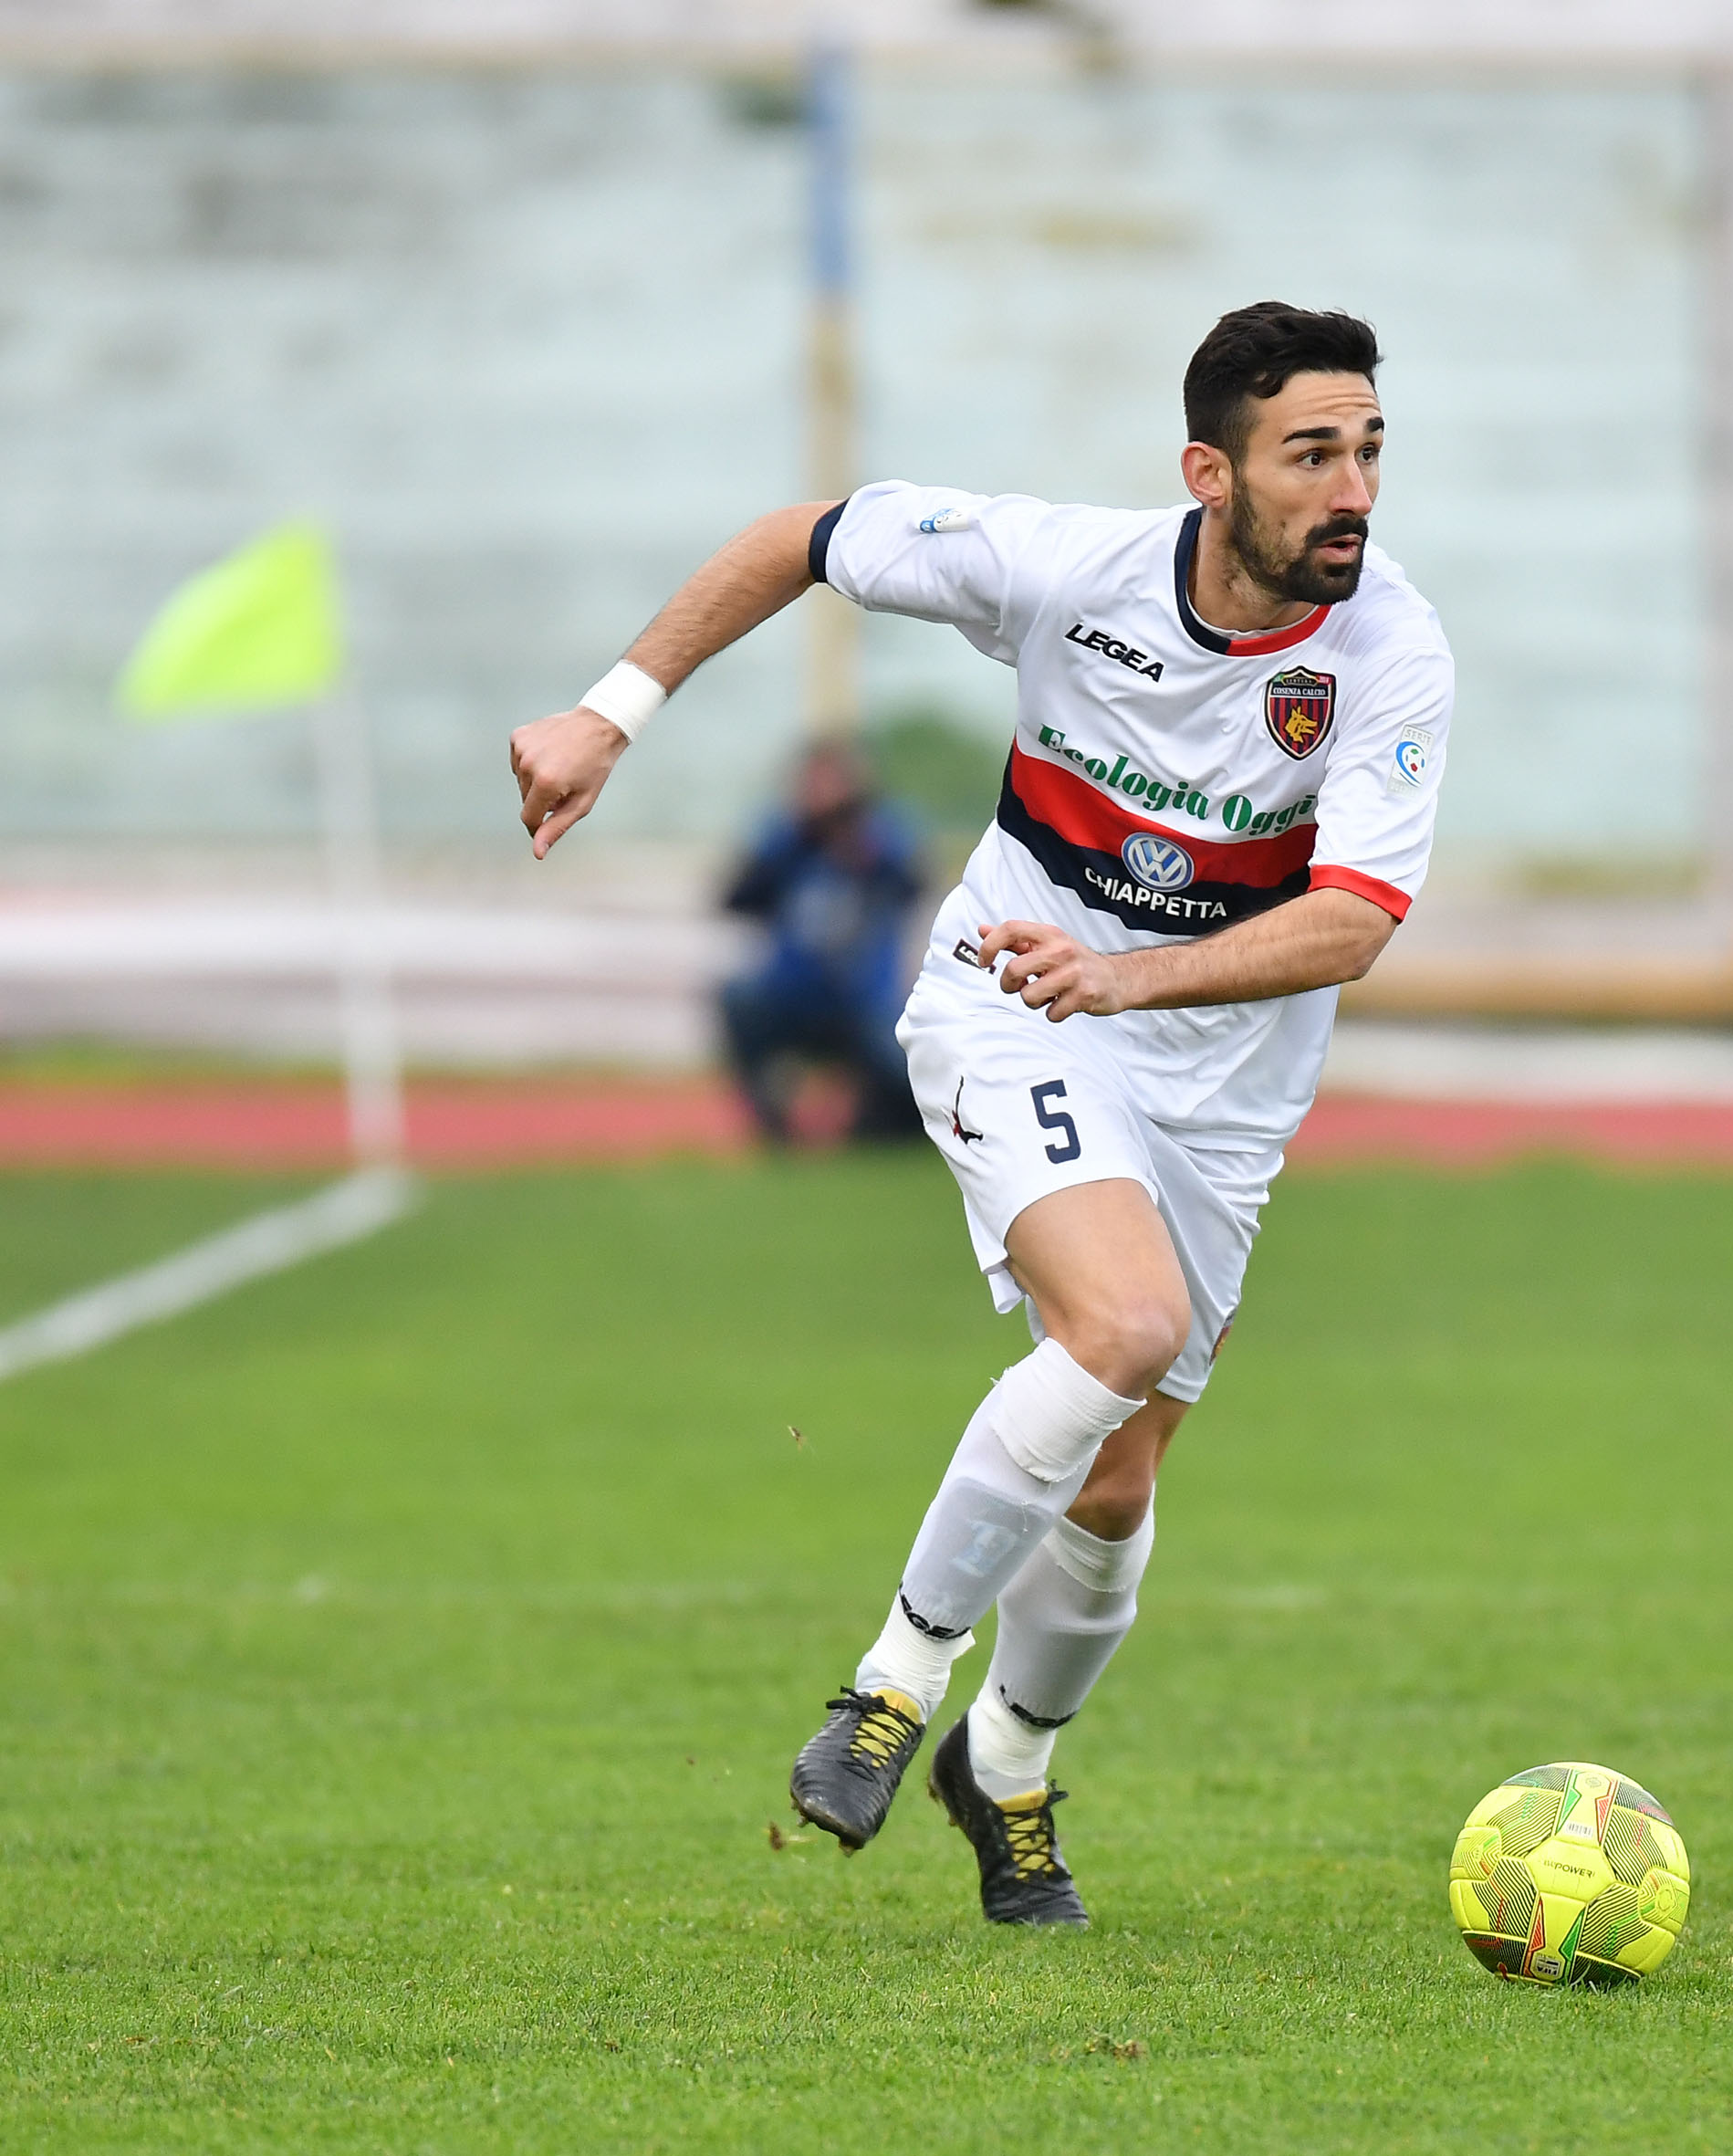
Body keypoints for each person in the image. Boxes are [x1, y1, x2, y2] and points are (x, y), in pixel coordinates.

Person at [507, 303, 1448, 1928]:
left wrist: (1135, 979)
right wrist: (612, 709)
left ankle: (1003, 1764)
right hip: (1010, 993)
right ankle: (890, 1686)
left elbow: (1356, 918)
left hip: (1215, 1089)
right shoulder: (1063, 569)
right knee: (1125, 1321)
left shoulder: (1389, 652)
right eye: (1311, 454)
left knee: (1114, 1481)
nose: (1351, 485)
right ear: (1207, 472)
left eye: (1368, 448)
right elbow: (806, 534)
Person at [715, 739, 924, 1146]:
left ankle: (882, 1128)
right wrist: (793, 842)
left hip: (865, 1003)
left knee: (903, 1082)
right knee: (738, 998)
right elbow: (736, 898)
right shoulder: (786, 840)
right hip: (795, 996)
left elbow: (913, 884)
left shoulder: (882, 835)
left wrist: (857, 845)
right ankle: (775, 1129)